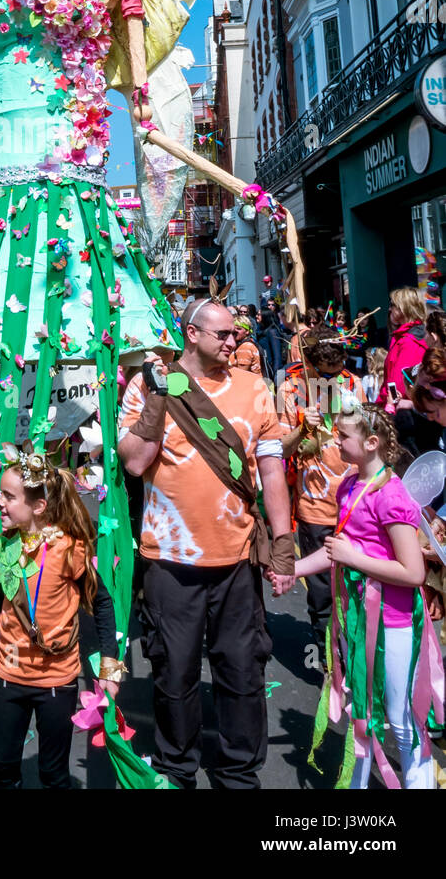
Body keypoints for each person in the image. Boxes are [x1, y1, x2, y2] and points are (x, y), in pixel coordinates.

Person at [118, 298, 294, 789]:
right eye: (225, 335)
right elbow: (134, 462)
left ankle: (239, 773)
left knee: (242, 672)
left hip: (236, 560)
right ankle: (178, 769)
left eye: (236, 334)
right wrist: (157, 398)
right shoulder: (150, 384)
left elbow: (272, 469)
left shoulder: (255, 388)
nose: (235, 341)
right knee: (174, 675)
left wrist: (282, 543)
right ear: (192, 335)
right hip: (169, 562)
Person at [288, 404, 441, 788]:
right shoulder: (349, 486)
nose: (336, 441)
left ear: (371, 443)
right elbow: (334, 552)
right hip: (356, 622)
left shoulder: (391, 497)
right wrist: (290, 571)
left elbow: (413, 572)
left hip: (395, 623)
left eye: (343, 436)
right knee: (363, 714)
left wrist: (354, 558)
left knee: (402, 720)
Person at [0, 445, 120, 789]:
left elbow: (104, 605)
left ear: (38, 506)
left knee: (53, 774)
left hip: (57, 680)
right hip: (10, 676)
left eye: (9, 496)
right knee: (3, 769)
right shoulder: (0, 546)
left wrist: (108, 667)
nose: (0, 503)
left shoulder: (70, 549)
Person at [276, 328, 360, 655]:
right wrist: (302, 427)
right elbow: (279, 450)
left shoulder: (352, 384)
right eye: (326, 375)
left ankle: (354, 663)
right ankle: (328, 666)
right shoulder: (289, 389)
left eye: (337, 373)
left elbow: (371, 438)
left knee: (356, 591)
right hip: (315, 507)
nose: (334, 380)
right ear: (309, 364)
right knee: (323, 595)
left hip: (355, 504)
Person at [379, 287, 432, 453]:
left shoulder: (408, 341)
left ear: (404, 308)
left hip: (404, 417)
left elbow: (397, 384)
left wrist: (389, 409)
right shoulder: (406, 337)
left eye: (393, 305)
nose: (390, 309)